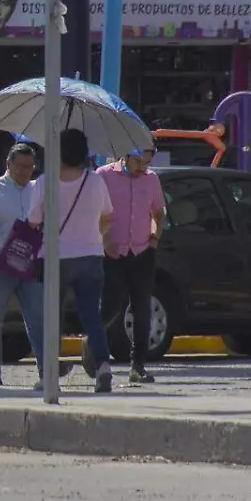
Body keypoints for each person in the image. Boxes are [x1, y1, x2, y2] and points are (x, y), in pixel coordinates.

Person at [28, 129, 116, 393]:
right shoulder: (95, 182)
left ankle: (49, 374)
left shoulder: (45, 182)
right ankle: (102, 366)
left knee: (51, 316)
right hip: (90, 254)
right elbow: (107, 216)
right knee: (91, 314)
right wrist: (93, 236)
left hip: (55, 256)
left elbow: (33, 220)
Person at [0, 144, 47, 386]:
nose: (26, 172)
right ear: (9, 165)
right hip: (0, 263)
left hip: (29, 263)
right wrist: (3, 254)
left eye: (30, 167)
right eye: (21, 166)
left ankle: (45, 372)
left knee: (37, 318)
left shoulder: (37, 190)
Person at [96, 143, 166, 384]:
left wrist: (155, 237)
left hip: (142, 252)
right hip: (113, 253)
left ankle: (138, 366)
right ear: (126, 155)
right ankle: (93, 345)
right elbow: (94, 213)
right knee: (111, 307)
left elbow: (159, 212)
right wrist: (104, 240)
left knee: (142, 308)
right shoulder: (103, 176)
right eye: (139, 161)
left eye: (147, 162)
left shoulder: (151, 180)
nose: (142, 167)